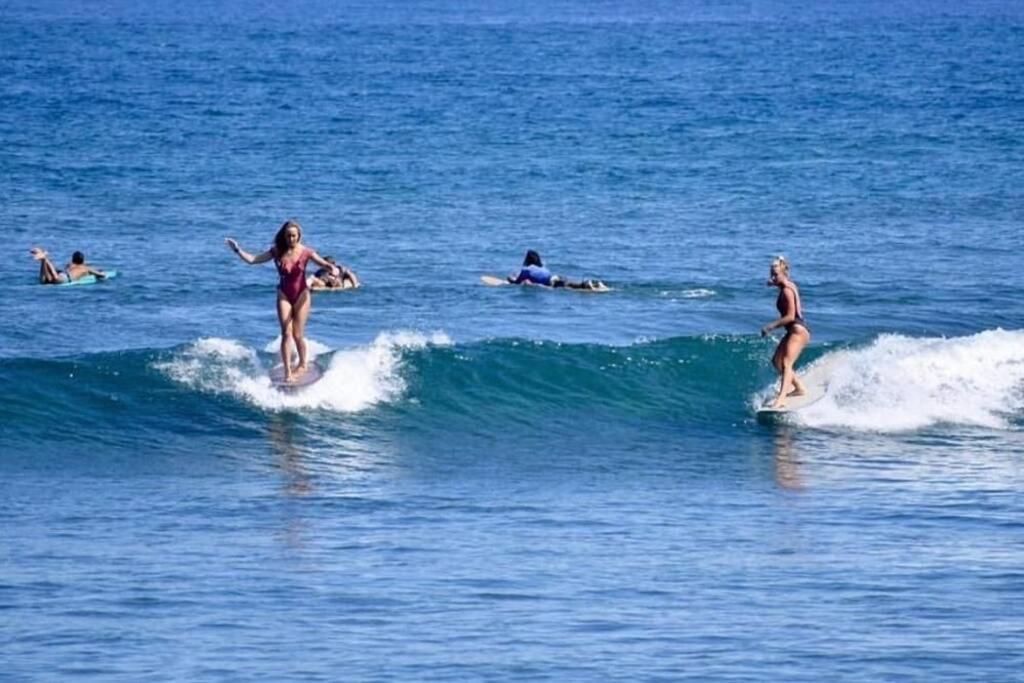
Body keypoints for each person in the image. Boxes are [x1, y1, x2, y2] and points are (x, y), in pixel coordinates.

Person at [225, 220, 340, 384]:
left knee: (298, 334)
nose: (291, 239)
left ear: (299, 236)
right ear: (284, 236)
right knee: (286, 333)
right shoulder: (277, 251)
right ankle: (288, 371)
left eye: (294, 236)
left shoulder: (306, 252)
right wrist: (237, 250)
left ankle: (302, 363)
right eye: (288, 236)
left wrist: (333, 269)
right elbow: (253, 260)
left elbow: (324, 264)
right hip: (284, 294)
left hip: (302, 295)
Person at [761, 255, 810, 408]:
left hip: (798, 331)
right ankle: (799, 388)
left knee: (786, 363)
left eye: (775, 274)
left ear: (784, 273)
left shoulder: (787, 291)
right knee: (776, 362)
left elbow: (790, 316)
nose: (772, 277)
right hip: (792, 331)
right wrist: (775, 283)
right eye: (771, 274)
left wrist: (770, 326)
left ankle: (781, 399)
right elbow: (782, 282)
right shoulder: (787, 285)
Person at [507, 250, 607, 290]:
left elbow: (517, 282)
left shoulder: (526, 270)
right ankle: (589, 283)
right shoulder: (542, 267)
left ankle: (585, 284)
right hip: (554, 277)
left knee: (569, 286)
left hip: (550, 283)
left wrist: (510, 279)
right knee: (569, 284)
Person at [31, 247, 107, 284]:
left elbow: (61, 270)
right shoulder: (86, 268)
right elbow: (101, 275)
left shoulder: (69, 265)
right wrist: (102, 273)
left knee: (44, 281)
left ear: (73, 259)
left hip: (62, 273)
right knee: (55, 278)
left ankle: (44, 260)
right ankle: (44, 258)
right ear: (83, 260)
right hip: (66, 278)